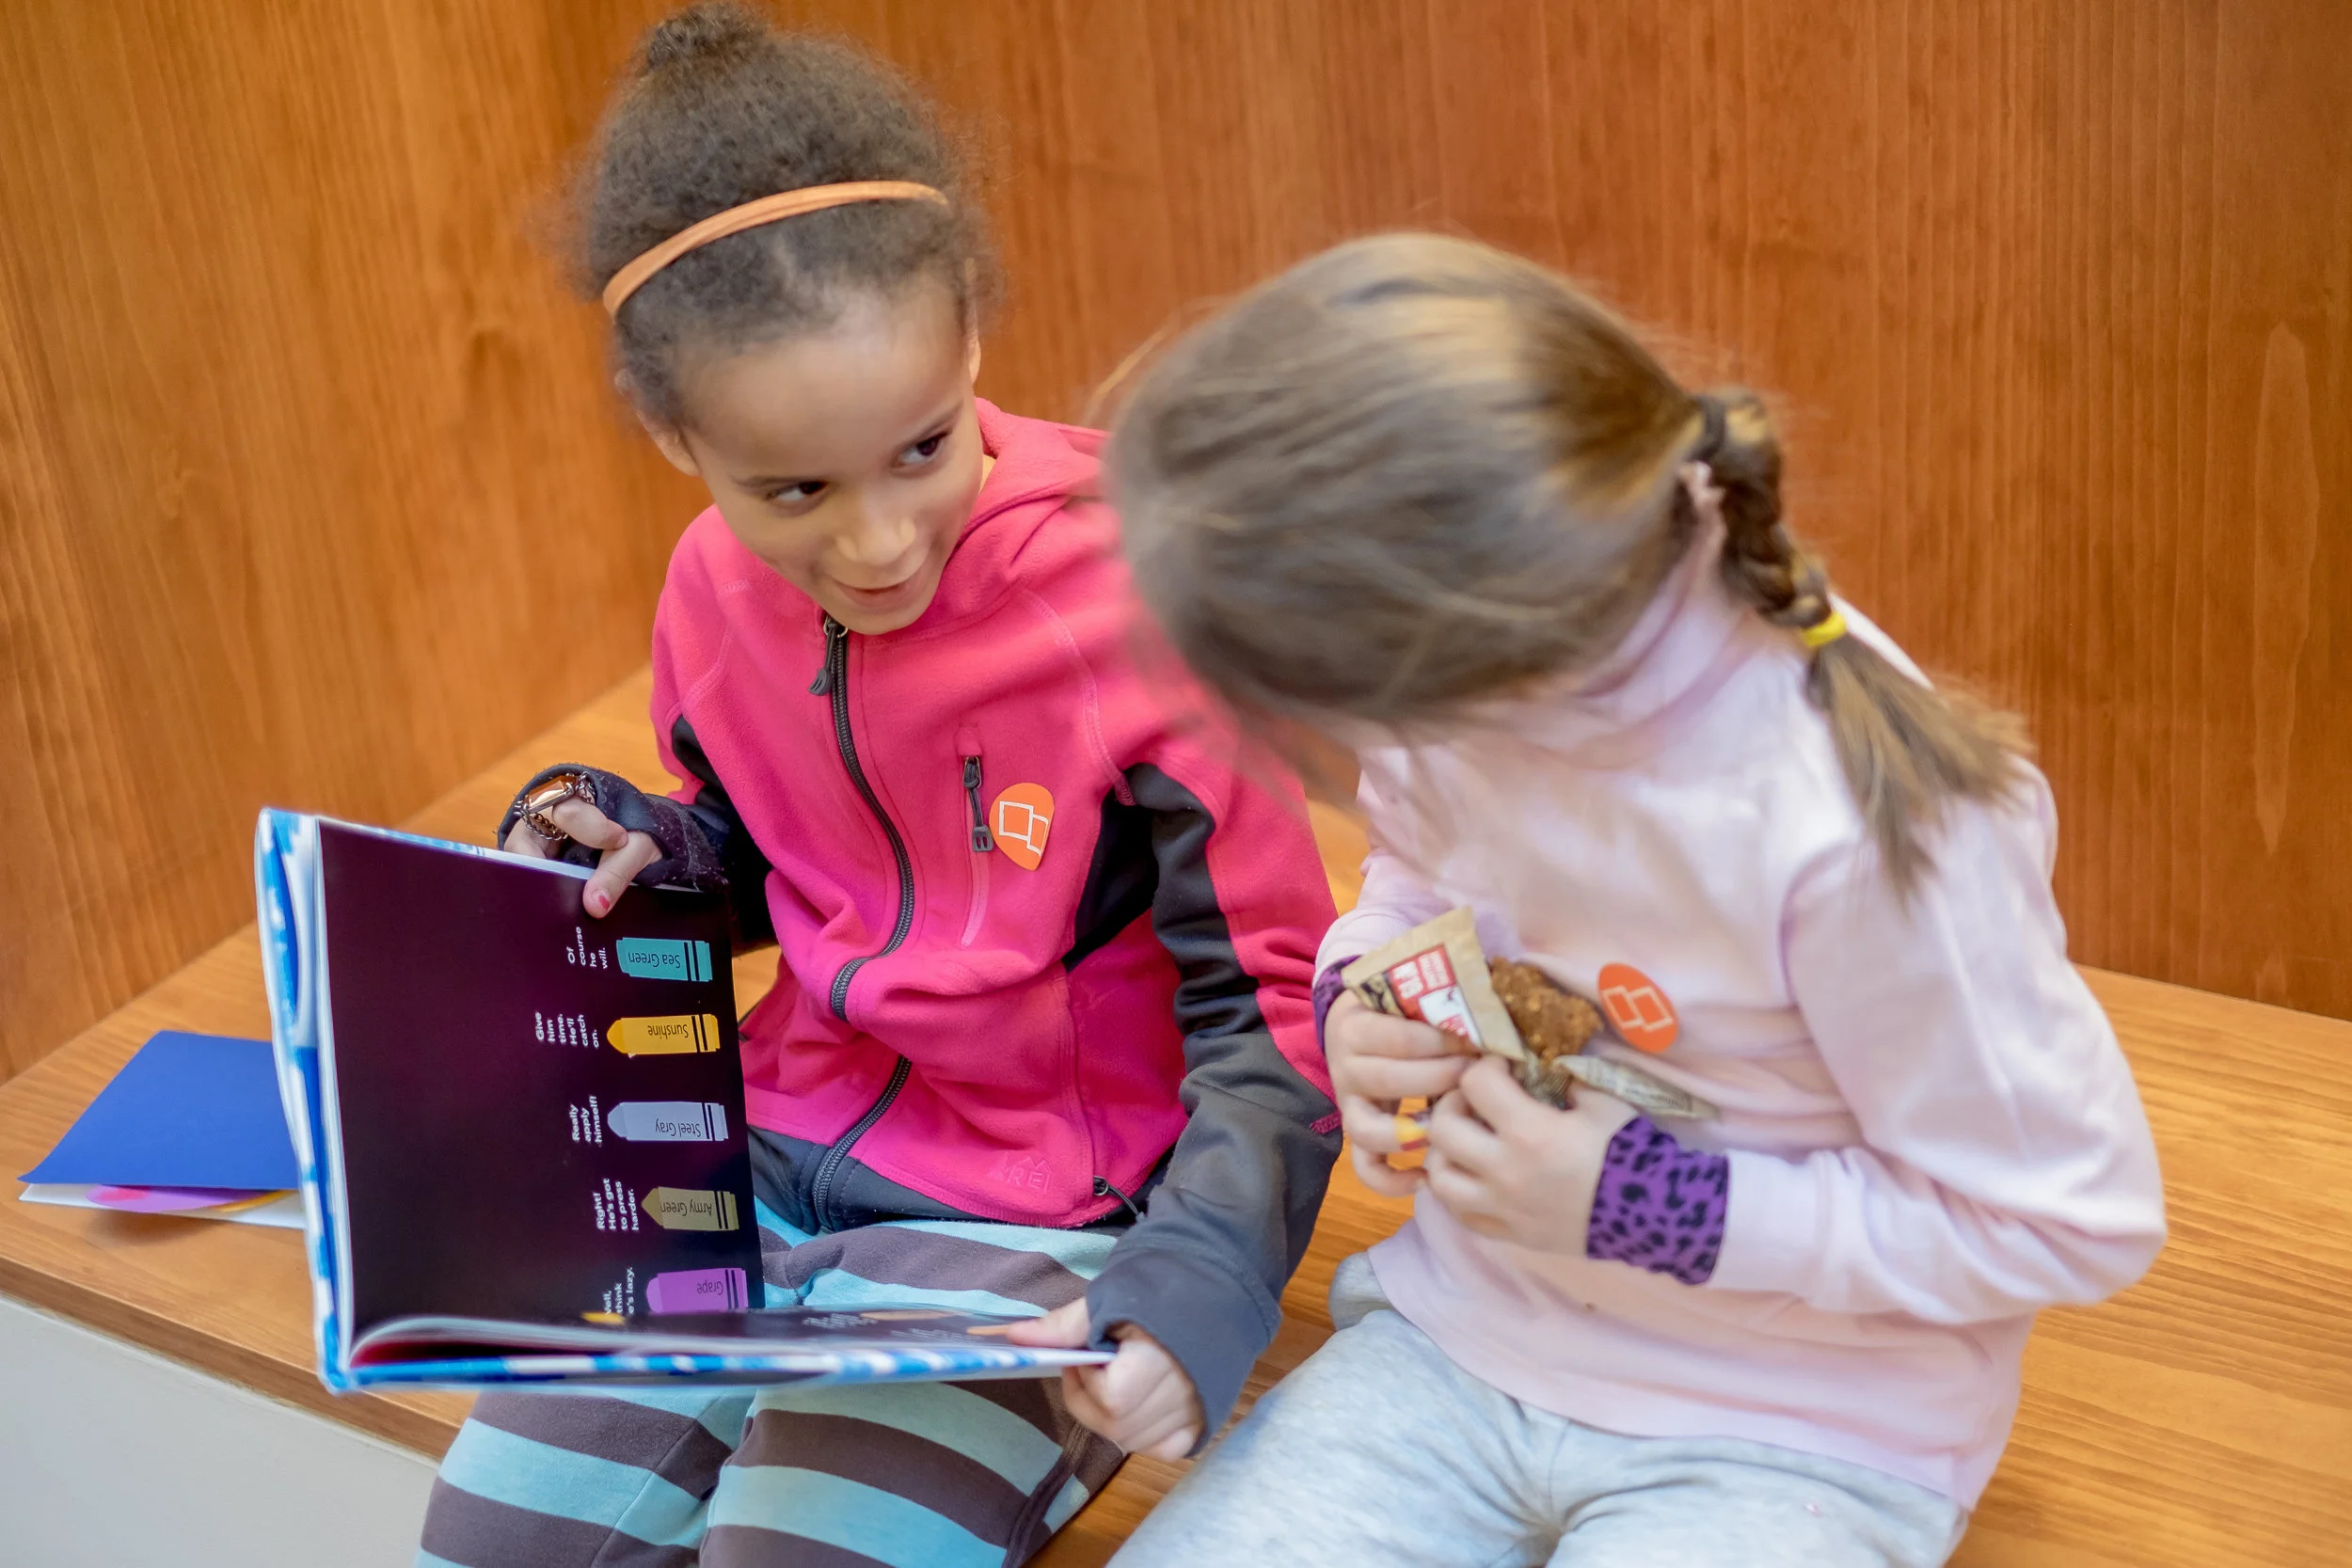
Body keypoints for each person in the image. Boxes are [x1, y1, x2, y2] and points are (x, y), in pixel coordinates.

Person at [416, 8, 1341, 1565]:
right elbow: (774, 854)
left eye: (921, 449)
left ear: (970, 333)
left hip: (1038, 1228)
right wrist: (646, 852)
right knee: (493, 1541)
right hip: (755, 1154)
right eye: (794, 488)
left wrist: (1196, 1286)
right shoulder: (710, 586)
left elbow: (1277, 1008)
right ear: (670, 432)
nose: (875, 543)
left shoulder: (1145, 594)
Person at [1100, 233, 2166, 1568]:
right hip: (1458, 1347)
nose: (1367, 757)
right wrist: (1364, 991)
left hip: (1802, 1428)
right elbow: (1417, 875)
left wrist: (1663, 1210)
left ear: (1478, 648)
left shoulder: (1848, 829)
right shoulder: (1459, 692)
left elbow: (2071, 1220)